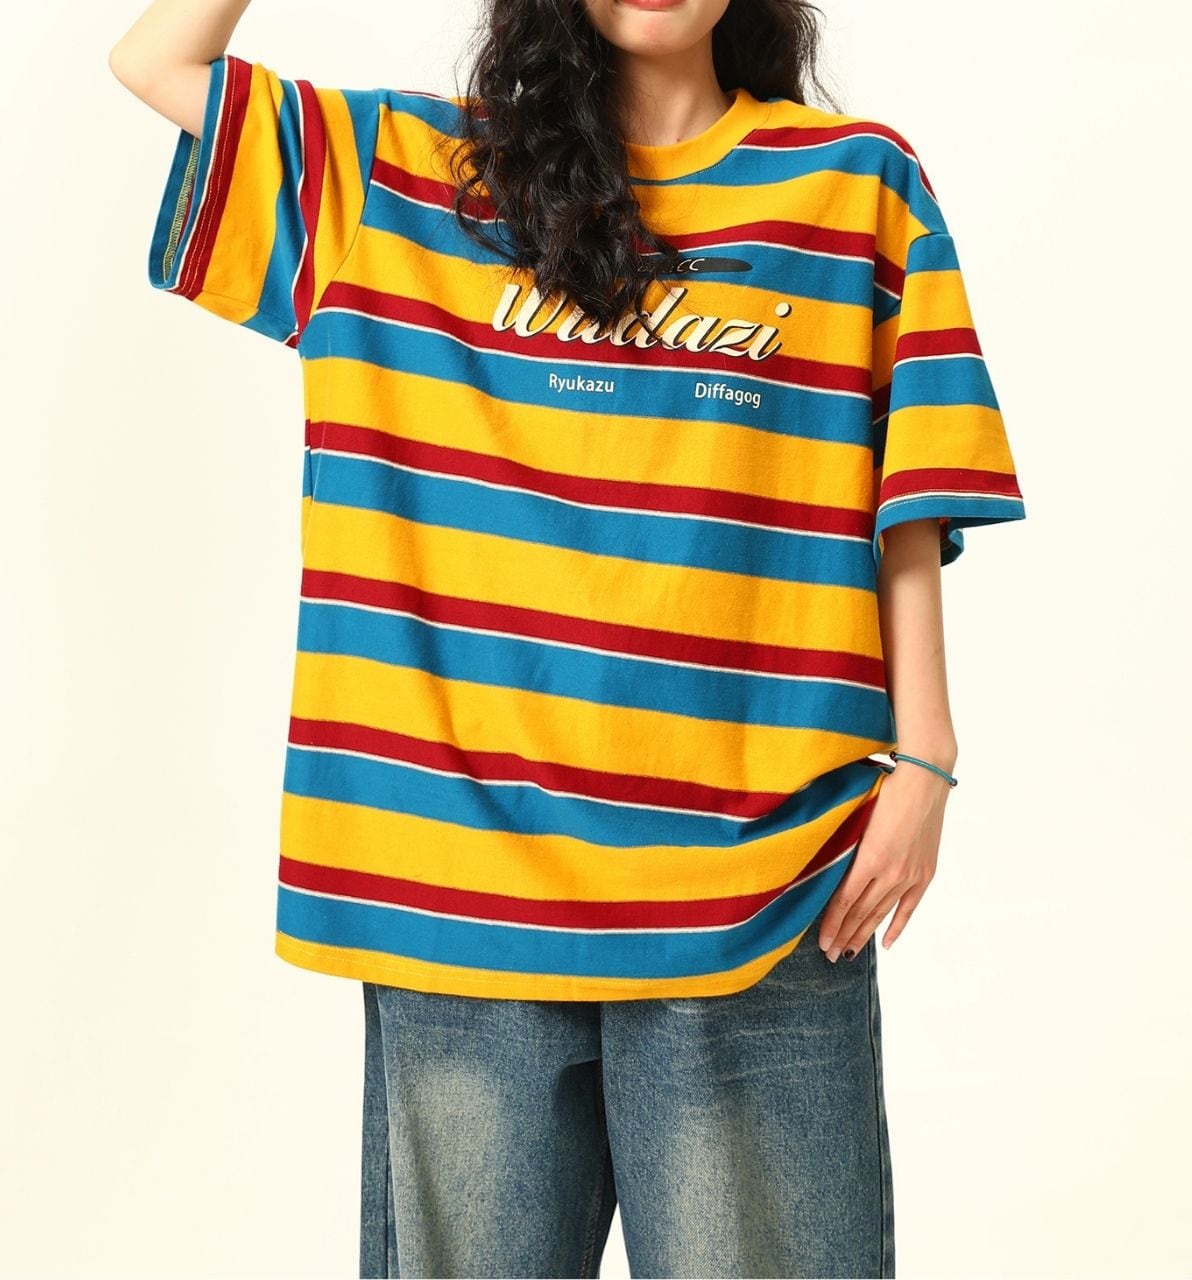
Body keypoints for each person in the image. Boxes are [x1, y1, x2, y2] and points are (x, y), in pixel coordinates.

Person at [110, 0, 1026, 1274]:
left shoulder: (854, 187)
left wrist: (924, 756)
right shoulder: (400, 180)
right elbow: (156, 61)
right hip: (460, 887)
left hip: (760, 886)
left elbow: (907, 492)